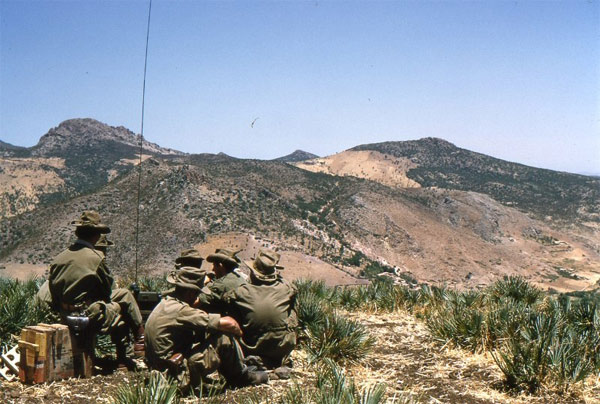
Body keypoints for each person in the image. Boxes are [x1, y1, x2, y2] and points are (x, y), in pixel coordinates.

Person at [144, 268, 268, 392]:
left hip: (160, 375)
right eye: (197, 294)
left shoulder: (164, 304)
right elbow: (230, 324)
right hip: (175, 378)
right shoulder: (181, 311)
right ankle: (240, 377)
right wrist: (239, 334)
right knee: (223, 337)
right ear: (190, 293)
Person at [48, 211, 144, 368]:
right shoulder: (96, 258)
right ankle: (139, 340)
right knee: (123, 302)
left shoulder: (59, 258)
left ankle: (138, 340)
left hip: (65, 315)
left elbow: (53, 292)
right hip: (88, 317)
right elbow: (106, 292)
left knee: (121, 300)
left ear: (78, 233)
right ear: (96, 236)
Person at [223, 249, 297, 372]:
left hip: (254, 347)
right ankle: (275, 359)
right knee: (292, 307)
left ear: (253, 272)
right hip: (283, 347)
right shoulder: (287, 288)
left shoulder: (240, 292)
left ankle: (249, 358)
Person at [196, 248, 246, 314]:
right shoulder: (240, 278)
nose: (213, 269)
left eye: (214, 265)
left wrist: (203, 283)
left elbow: (196, 302)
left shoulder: (221, 284)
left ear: (220, 265)